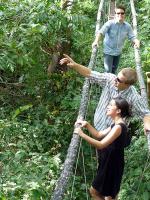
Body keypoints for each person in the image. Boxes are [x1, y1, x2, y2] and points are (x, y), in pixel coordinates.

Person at [59, 54, 150, 134]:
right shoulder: (110, 79)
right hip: (98, 125)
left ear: (128, 85)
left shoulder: (134, 97)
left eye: (119, 80)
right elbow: (89, 73)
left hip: (114, 133)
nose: (115, 79)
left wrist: (147, 124)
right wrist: (75, 65)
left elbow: (145, 113)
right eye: (116, 77)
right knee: (100, 149)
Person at [74, 97, 131, 200]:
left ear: (118, 111)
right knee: (109, 196)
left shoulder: (118, 127)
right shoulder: (116, 124)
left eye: (111, 105)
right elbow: (99, 134)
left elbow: (101, 144)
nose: (107, 107)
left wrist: (82, 134)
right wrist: (87, 125)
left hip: (112, 165)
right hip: (110, 163)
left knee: (95, 191)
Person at [92, 5, 140, 74]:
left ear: (124, 14)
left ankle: (112, 84)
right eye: (118, 13)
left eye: (122, 13)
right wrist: (96, 41)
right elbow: (101, 32)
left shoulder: (127, 26)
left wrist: (136, 41)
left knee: (114, 70)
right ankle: (107, 84)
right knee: (108, 71)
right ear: (115, 14)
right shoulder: (109, 23)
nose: (120, 14)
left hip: (118, 52)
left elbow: (132, 37)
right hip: (108, 52)